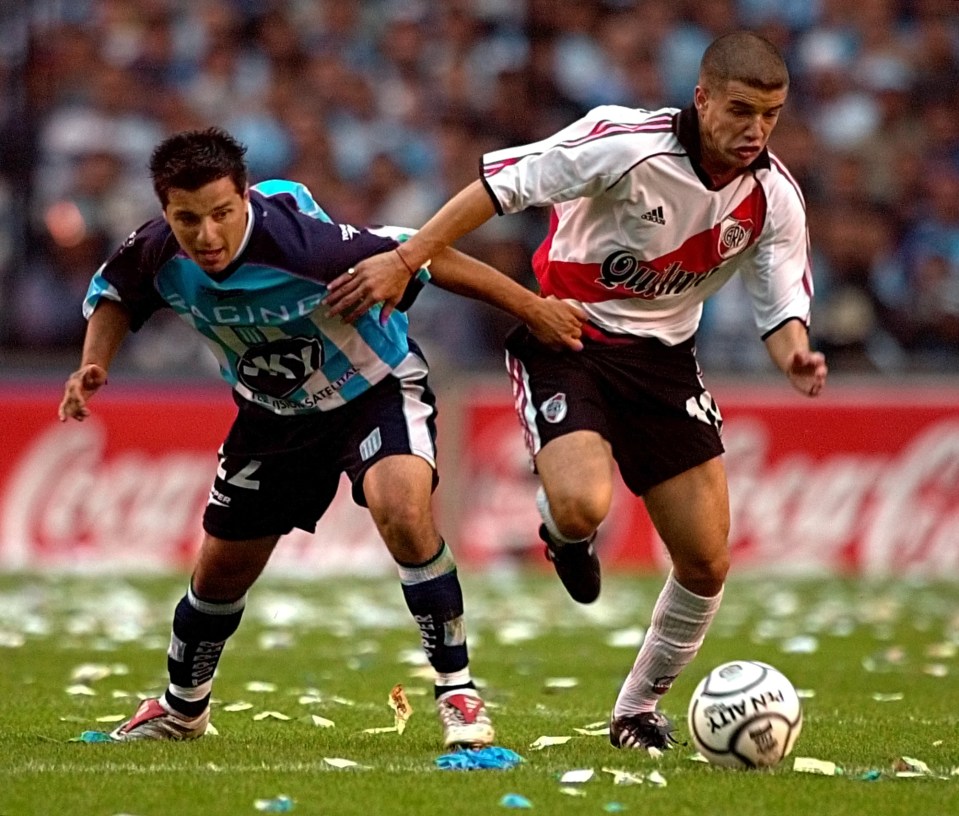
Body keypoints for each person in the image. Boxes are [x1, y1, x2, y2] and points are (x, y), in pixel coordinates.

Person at [325, 31, 828, 751]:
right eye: (741, 110)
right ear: (702, 97)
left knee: (706, 559)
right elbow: (495, 189)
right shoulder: (621, 143)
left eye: (770, 116)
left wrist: (796, 356)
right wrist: (408, 258)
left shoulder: (774, 198)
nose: (754, 131)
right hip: (568, 337)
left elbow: (779, 308)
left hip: (665, 363)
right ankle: (564, 532)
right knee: (582, 503)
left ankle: (635, 711)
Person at [58, 127, 586, 747]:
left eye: (222, 214)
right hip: (272, 417)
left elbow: (424, 253)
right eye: (187, 219)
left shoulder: (305, 247)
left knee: (404, 511)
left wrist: (534, 308)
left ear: (246, 198)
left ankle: (459, 693)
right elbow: (116, 293)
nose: (207, 236)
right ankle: (181, 709)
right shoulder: (154, 251)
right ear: (164, 210)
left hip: (373, 390)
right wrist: (95, 363)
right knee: (219, 575)